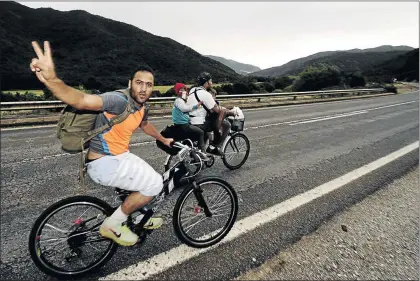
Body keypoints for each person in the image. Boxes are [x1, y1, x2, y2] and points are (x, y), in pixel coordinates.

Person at [29, 41, 174, 247]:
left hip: (119, 157)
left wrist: (163, 139)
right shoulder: (118, 100)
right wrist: (52, 80)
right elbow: (82, 101)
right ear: (130, 82)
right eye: (139, 83)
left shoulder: (141, 106)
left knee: (147, 176)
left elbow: (145, 124)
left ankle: (141, 216)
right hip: (104, 163)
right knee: (155, 184)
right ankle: (112, 225)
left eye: (148, 85)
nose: (143, 89)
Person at [187, 72, 236, 155]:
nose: (211, 82)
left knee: (208, 128)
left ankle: (202, 152)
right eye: (210, 80)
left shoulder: (192, 90)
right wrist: (231, 112)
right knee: (226, 124)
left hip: (189, 121)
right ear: (206, 82)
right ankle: (213, 147)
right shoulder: (206, 94)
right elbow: (217, 109)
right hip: (200, 123)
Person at [172, 83, 207, 155]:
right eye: (181, 90)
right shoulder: (178, 100)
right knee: (201, 132)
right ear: (177, 91)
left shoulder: (181, 100)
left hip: (182, 124)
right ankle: (203, 153)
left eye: (185, 89)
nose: (184, 91)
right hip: (183, 125)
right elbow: (185, 109)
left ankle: (194, 153)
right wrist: (196, 105)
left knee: (192, 138)